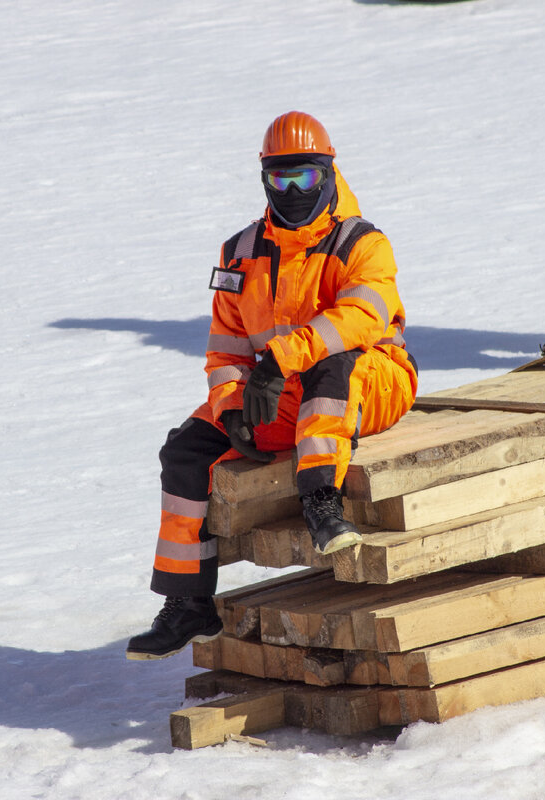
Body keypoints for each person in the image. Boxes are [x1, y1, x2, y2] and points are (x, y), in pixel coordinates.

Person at [126, 111, 419, 661]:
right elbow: (226, 348)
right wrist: (232, 404)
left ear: (329, 173)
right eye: (279, 178)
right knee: (185, 450)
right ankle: (188, 604)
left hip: (375, 379)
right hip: (279, 388)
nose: (291, 190)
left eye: (303, 178)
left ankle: (322, 503)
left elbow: (361, 319)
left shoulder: (362, 242)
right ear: (263, 178)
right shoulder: (239, 251)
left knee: (334, 368)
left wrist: (280, 359)